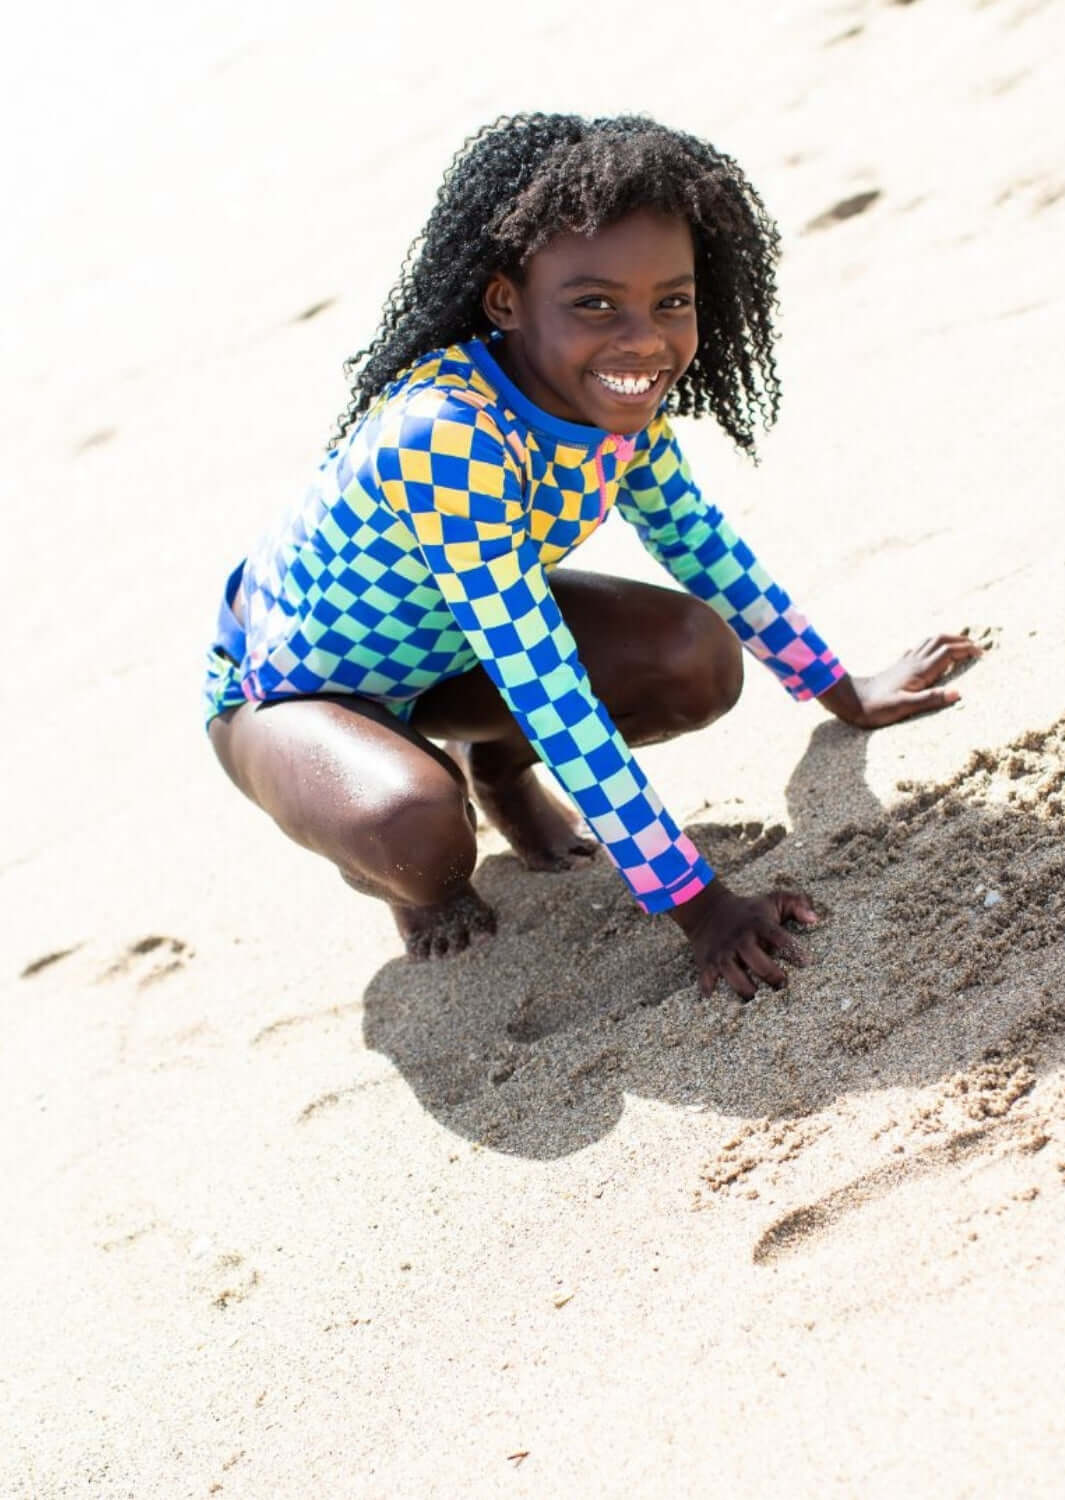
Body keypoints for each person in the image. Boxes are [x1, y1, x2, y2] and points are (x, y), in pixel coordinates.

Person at [205, 113, 979, 998]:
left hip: (456, 651)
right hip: (295, 692)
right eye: (594, 304)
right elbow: (544, 681)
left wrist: (845, 690)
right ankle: (387, 850)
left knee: (693, 659)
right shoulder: (446, 439)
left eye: (671, 302)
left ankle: (495, 767)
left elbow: (702, 545)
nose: (643, 340)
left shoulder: (615, 399)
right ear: (507, 302)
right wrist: (702, 906)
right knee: (419, 835)